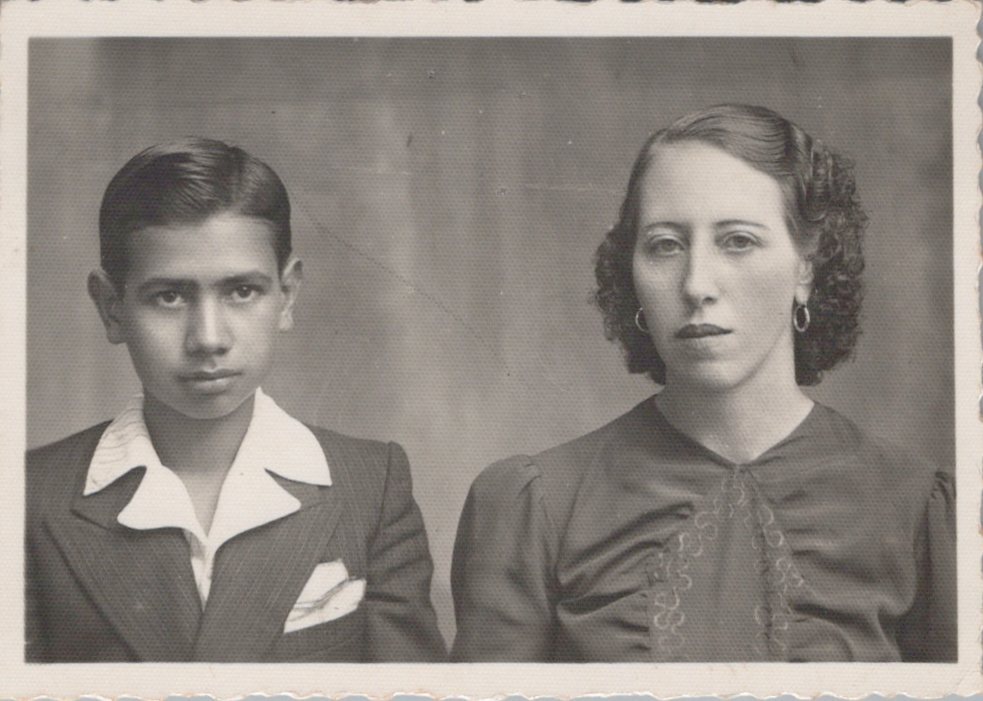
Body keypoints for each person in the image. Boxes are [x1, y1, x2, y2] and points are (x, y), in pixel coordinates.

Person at [451, 104, 956, 662]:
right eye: (665, 245)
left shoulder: (915, 508)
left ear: (806, 268)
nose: (696, 285)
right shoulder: (536, 507)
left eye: (738, 241)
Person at [26, 138, 446, 662]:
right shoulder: (27, 496)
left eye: (242, 291)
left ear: (286, 296)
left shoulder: (371, 485)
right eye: (169, 296)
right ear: (112, 308)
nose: (208, 338)